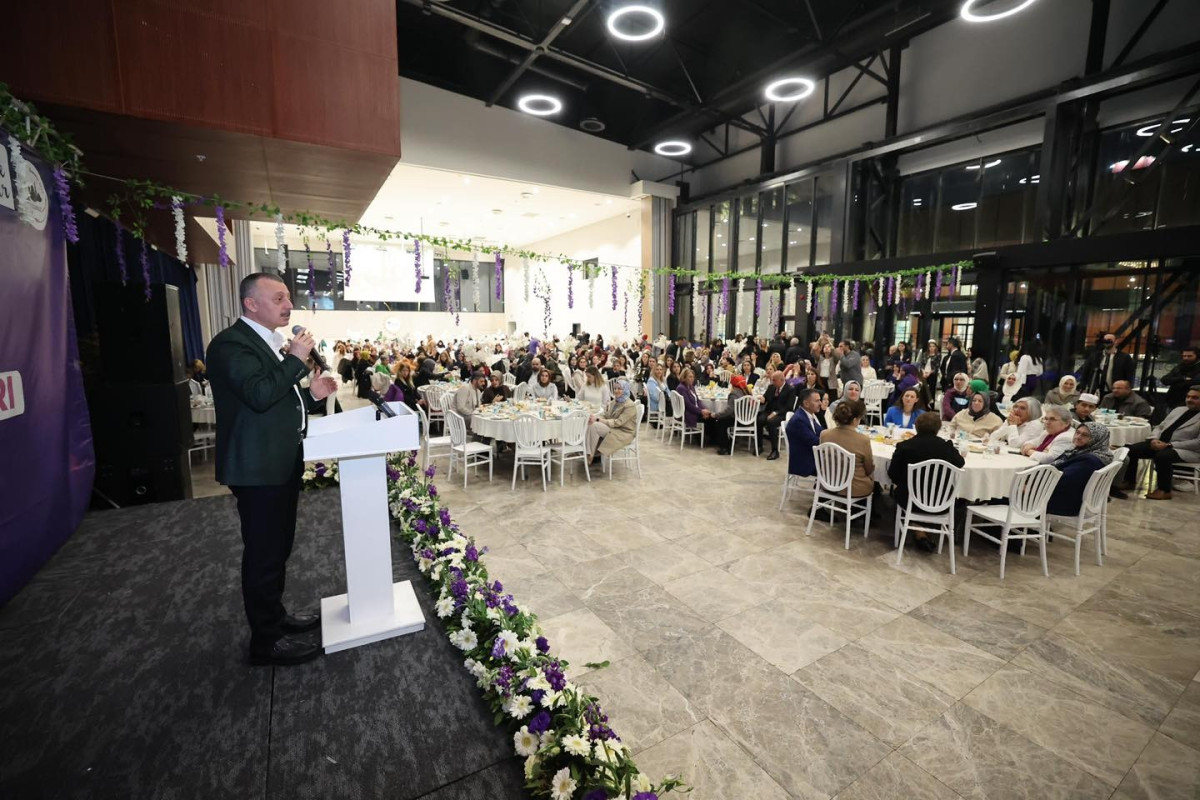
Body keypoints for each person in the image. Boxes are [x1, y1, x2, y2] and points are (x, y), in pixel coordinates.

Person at [206, 273, 338, 666]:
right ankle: (265, 642)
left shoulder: (266, 342)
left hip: (278, 462)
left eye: (288, 298)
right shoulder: (230, 345)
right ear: (251, 304)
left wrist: (311, 396)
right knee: (264, 554)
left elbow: (279, 404)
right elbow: (260, 395)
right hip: (257, 467)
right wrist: (295, 360)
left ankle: (275, 618)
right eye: (278, 298)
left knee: (279, 547)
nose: (288, 305)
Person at [887, 412, 966, 551]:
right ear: (938, 428)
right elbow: (960, 463)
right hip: (941, 501)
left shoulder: (905, 446)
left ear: (916, 426)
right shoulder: (946, 447)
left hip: (911, 500)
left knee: (900, 492)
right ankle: (923, 531)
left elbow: (893, 474)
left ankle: (917, 528)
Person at [1120, 386, 1200, 501]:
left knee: (1163, 456)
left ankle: (1164, 490)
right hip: (1161, 444)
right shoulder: (1179, 410)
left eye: (1195, 398)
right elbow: (1160, 426)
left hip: (1188, 451)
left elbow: (1198, 442)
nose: (1189, 400)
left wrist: (1169, 445)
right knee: (1130, 449)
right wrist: (1154, 438)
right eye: (1188, 397)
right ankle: (1129, 481)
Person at [1046, 422, 1113, 516]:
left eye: (1084, 435)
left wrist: (1032, 484)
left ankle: (1031, 521)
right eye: (1077, 432)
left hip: (1064, 503)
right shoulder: (1090, 452)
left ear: (1097, 438)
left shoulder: (1089, 460)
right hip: (1068, 496)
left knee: (1024, 487)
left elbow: (1062, 480)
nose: (1078, 437)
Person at [819, 399, 876, 499]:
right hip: (854, 488)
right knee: (874, 481)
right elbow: (869, 468)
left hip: (828, 483)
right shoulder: (863, 440)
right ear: (855, 420)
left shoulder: (824, 434)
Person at [586, 378, 640, 464]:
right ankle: (591, 453)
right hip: (615, 427)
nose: (616, 391)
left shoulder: (629, 405)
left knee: (595, 426)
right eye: (615, 388)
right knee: (591, 423)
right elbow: (607, 415)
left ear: (625, 389)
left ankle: (590, 455)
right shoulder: (615, 401)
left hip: (624, 432)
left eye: (619, 389)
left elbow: (618, 422)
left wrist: (598, 420)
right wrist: (595, 417)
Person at [785, 388, 826, 477]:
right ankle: (823, 485)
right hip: (804, 463)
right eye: (817, 401)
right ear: (806, 403)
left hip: (809, 455)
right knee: (838, 465)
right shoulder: (799, 420)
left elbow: (821, 431)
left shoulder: (807, 414)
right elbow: (815, 442)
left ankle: (822, 484)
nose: (820, 403)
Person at [757, 370, 795, 461]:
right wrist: (762, 400)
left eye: (774, 380)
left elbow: (789, 407)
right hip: (769, 410)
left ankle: (775, 450)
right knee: (759, 420)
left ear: (781, 380)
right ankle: (759, 445)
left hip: (782, 413)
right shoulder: (771, 387)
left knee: (771, 422)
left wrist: (775, 413)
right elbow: (765, 399)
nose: (772, 382)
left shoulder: (790, 389)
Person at [1083, 331, 1135, 396]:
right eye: (1104, 340)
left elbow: (1129, 374)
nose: (1106, 342)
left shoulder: (1124, 357)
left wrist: (1128, 388)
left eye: (1109, 340)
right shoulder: (1095, 356)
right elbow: (1086, 371)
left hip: (1115, 391)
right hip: (1096, 390)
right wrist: (1083, 386)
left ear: (1116, 341)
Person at [713, 375, 752, 455]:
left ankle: (725, 447)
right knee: (723, 420)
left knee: (720, 422)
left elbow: (729, 410)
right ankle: (729, 442)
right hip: (749, 419)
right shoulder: (747, 392)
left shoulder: (734, 394)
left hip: (738, 420)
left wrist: (717, 415)